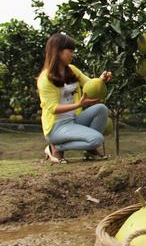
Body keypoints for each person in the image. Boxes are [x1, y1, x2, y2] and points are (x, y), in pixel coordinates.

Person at [37, 33, 112, 164]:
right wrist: (79, 104)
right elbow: (53, 108)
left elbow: (89, 85)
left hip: (73, 120)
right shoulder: (45, 79)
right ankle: (55, 147)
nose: (72, 54)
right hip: (56, 127)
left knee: (101, 109)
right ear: (58, 51)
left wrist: (101, 80)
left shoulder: (72, 70)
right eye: (70, 51)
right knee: (97, 139)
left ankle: (89, 150)